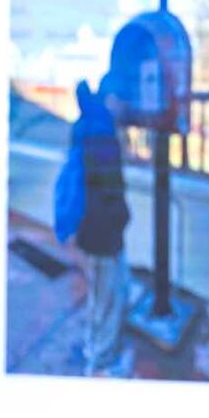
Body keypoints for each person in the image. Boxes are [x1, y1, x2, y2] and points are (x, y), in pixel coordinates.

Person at [54, 78, 132, 376]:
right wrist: (122, 218)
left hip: (90, 231)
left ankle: (92, 345)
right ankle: (102, 362)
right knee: (108, 297)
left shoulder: (85, 123)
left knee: (99, 293)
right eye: (121, 101)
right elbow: (109, 190)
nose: (125, 107)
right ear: (111, 98)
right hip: (103, 234)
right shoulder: (102, 133)